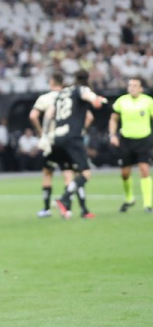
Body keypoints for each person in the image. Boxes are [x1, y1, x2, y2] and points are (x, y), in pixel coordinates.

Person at [46, 70, 107, 219]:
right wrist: (97, 99)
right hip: (72, 137)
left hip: (57, 138)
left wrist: (45, 135)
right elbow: (94, 102)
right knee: (85, 174)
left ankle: (83, 210)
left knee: (76, 175)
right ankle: (64, 199)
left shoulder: (63, 92)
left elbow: (49, 114)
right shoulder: (82, 89)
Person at [30, 72, 85, 217]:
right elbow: (89, 116)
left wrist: (42, 133)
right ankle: (67, 208)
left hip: (51, 140)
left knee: (47, 172)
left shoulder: (46, 98)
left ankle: (46, 208)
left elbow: (33, 116)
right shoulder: (70, 96)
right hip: (67, 138)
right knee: (68, 173)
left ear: (51, 83)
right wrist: (79, 131)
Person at [109, 78, 153, 213]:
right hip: (126, 140)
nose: (132, 88)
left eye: (135, 85)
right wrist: (112, 135)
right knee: (125, 173)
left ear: (141, 88)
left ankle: (148, 204)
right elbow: (114, 118)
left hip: (143, 139)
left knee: (144, 169)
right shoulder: (122, 101)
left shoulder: (148, 101)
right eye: (130, 85)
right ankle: (129, 198)